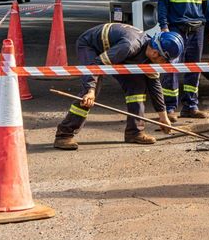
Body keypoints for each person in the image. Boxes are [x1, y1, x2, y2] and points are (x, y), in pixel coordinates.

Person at [53, 24, 184, 150]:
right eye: (165, 60)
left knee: (137, 86)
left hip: (115, 51)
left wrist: (163, 117)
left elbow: (154, 85)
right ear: (156, 53)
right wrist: (90, 89)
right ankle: (64, 134)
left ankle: (134, 133)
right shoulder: (129, 46)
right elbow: (97, 64)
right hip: (91, 46)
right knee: (89, 95)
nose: (164, 64)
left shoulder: (148, 52)